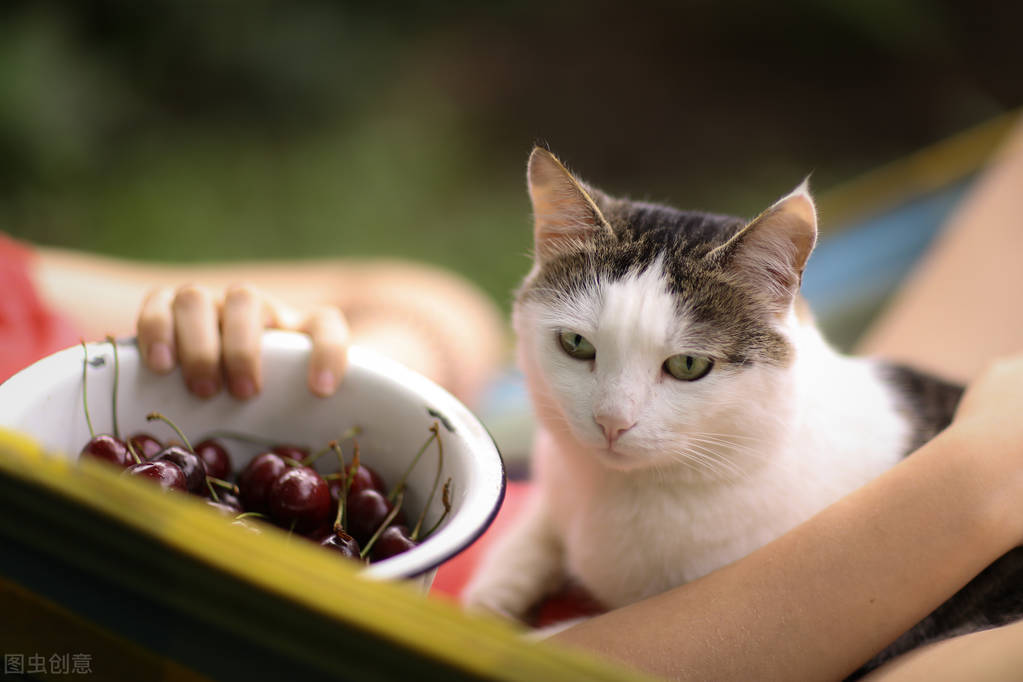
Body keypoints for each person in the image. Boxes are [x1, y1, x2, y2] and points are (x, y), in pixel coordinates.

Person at [118, 117, 1023, 681]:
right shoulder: (589, 439)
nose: (613, 418)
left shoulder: (807, 490)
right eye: (578, 349)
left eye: (686, 368)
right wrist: (543, 539)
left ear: (782, 320)